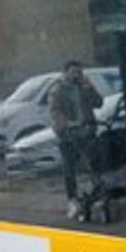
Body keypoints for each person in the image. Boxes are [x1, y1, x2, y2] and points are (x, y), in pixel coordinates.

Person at [45, 60, 101, 217]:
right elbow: (55, 112)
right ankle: (73, 199)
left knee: (93, 164)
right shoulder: (58, 90)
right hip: (68, 136)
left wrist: (89, 88)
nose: (77, 75)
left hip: (87, 131)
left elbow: (99, 103)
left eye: (80, 72)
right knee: (70, 168)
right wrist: (67, 125)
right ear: (66, 73)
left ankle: (95, 192)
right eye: (74, 72)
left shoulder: (83, 87)